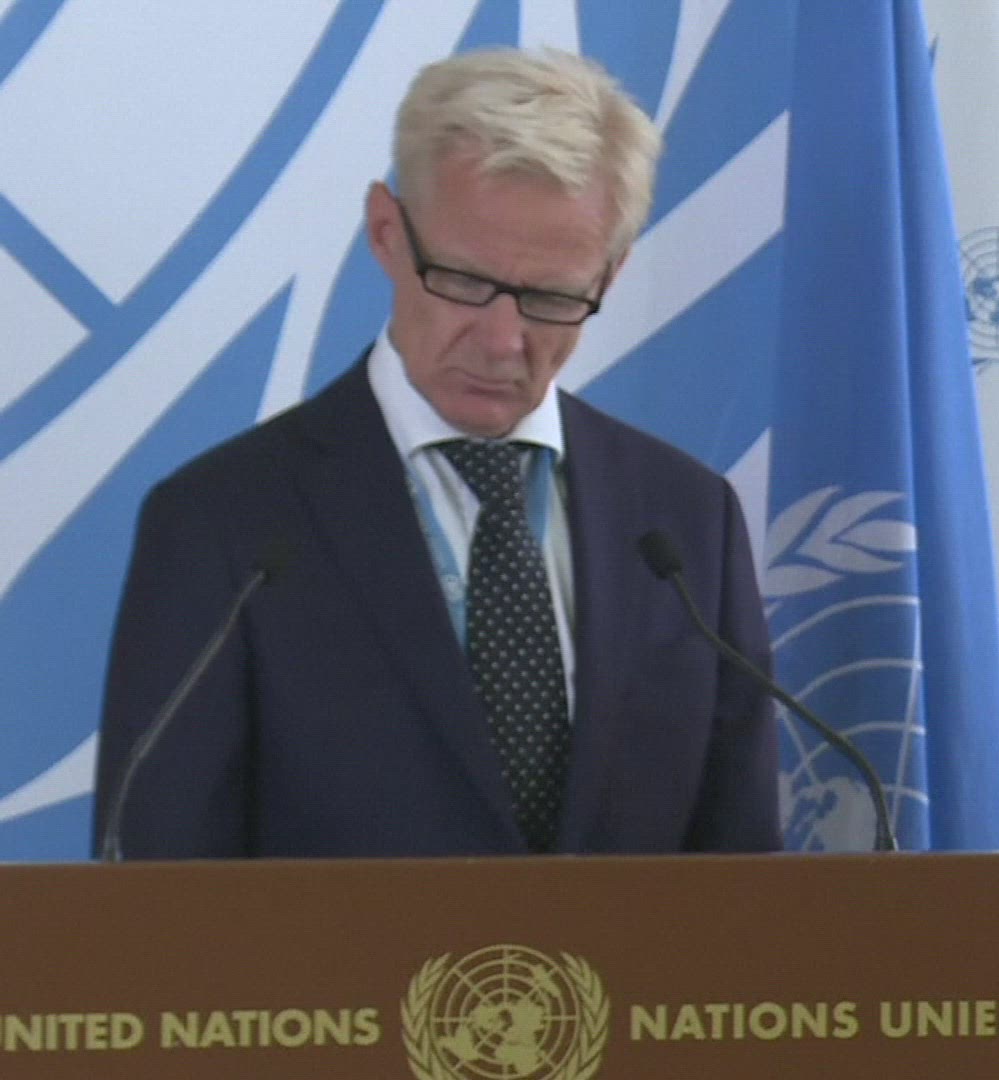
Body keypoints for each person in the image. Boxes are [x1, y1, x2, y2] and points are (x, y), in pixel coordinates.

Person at [93, 47, 779, 858]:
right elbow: (160, 885)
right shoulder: (223, 526)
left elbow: (744, 882)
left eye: (551, 297)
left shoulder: (686, 520)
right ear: (386, 232)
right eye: (462, 281)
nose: (502, 340)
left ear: (610, 275)